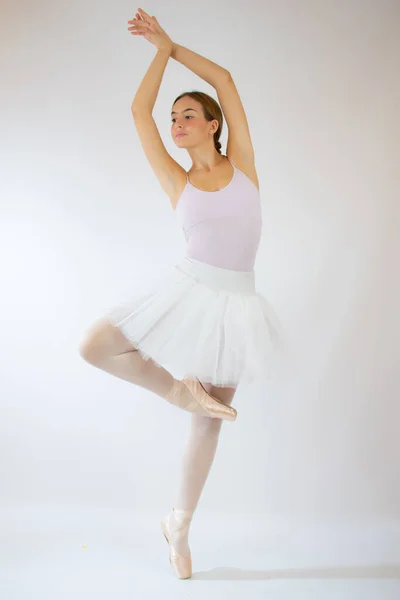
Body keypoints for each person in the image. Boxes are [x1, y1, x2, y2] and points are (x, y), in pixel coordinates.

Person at [78, 8, 283, 580]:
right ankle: (176, 392)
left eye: (188, 114)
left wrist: (173, 44)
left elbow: (226, 81)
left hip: (236, 304)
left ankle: (179, 525)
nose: (177, 122)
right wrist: (157, 55)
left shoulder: (242, 164)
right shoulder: (177, 178)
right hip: (187, 287)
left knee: (209, 420)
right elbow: (138, 111)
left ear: (214, 124)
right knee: (95, 345)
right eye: (175, 118)